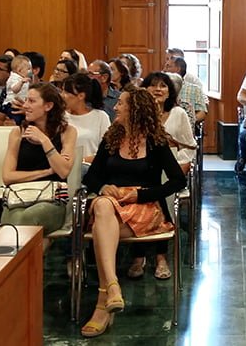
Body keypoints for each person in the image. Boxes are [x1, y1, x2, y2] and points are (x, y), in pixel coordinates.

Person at [79, 87, 186, 337]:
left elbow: (177, 181)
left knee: (102, 224)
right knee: (103, 204)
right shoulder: (111, 138)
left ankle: (104, 298)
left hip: (145, 207)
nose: (115, 107)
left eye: (121, 104)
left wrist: (140, 194)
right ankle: (112, 289)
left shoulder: (156, 142)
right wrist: (104, 186)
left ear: (135, 109)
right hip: (112, 207)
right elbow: (92, 177)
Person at [126, 72, 196, 280]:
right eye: (153, 86)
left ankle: (161, 257)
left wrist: (179, 167)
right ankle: (138, 256)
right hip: (139, 169)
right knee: (136, 195)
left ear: (170, 91)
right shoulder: (135, 115)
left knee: (161, 194)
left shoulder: (178, 114)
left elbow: (190, 147)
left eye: (163, 86)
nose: (158, 90)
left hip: (171, 169)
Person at [1, 83, 77, 248]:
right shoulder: (17, 133)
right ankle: (24, 270)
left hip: (52, 201)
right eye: (26, 100)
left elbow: (63, 171)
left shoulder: (67, 132)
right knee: (14, 221)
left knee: (21, 221)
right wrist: (46, 171)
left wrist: (44, 140)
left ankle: (15, 270)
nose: (26, 105)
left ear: (48, 106)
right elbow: (7, 177)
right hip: (20, 197)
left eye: (32, 101)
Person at [61, 74, 111, 164]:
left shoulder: (101, 117)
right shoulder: (60, 116)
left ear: (81, 96)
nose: (62, 95)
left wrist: (81, 160)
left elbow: (108, 150)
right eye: (62, 91)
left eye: (67, 92)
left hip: (90, 168)